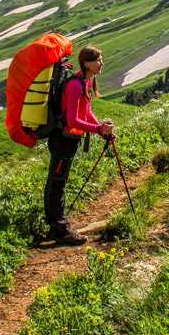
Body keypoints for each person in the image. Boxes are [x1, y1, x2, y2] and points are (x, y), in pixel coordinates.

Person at [44, 45, 114, 246]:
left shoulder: (87, 81)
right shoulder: (75, 85)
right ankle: (60, 228)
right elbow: (73, 120)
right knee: (57, 182)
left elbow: (87, 110)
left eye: (101, 60)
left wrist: (100, 129)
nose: (101, 64)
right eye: (98, 60)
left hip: (69, 140)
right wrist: (98, 129)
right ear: (86, 63)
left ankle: (55, 225)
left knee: (58, 180)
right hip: (62, 140)